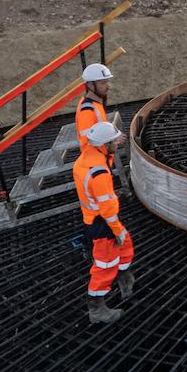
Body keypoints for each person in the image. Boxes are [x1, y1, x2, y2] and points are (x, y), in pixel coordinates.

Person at [73, 119, 134, 325]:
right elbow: (107, 207)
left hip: (94, 217)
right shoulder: (98, 172)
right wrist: (116, 229)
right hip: (102, 222)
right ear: (103, 145)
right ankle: (96, 308)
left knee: (126, 244)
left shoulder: (86, 159)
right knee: (105, 264)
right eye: (113, 142)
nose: (116, 145)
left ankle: (125, 278)